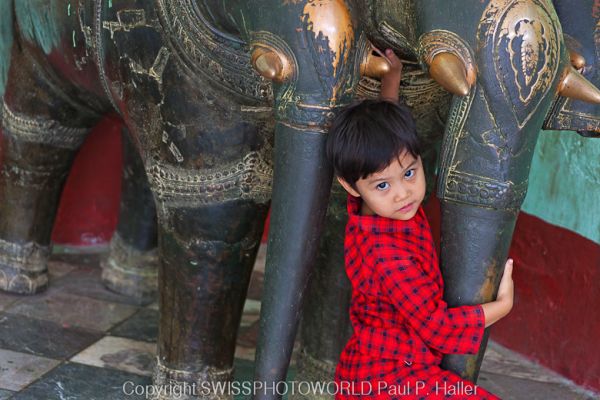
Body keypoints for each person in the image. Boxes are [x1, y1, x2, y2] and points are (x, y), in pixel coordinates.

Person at [327, 48, 514, 399]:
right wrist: (502, 306)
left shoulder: (370, 202)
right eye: (383, 185)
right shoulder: (387, 257)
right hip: (391, 378)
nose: (403, 194)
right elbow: (439, 329)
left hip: (382, 365)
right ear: (350, 186)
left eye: (410, 173)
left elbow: (389, 146)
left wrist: (391, 79)